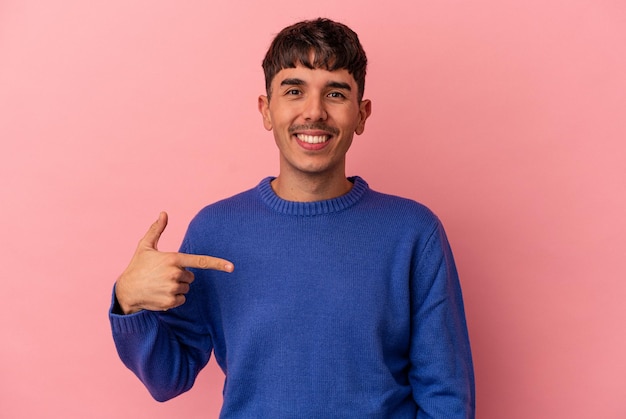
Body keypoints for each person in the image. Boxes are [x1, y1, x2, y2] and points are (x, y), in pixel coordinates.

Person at [110, 18, 475, 418]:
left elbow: (446, 398)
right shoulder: (214, 230)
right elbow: (167, 378)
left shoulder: (413, 233)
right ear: (267, 110)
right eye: (294, 91)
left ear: (362, 114)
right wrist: (128, 301)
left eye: (335, 92)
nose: (314, 112)